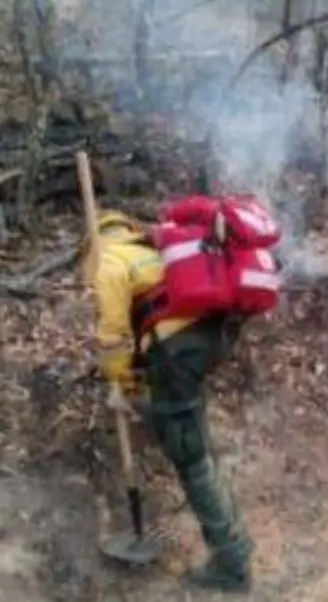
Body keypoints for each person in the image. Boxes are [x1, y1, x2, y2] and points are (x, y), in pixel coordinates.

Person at [88, 211, 253, 592]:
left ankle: (232, 563)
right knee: (182, 423)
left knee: (190, 461)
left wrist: (122, 383)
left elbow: (113, 337)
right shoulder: (156, 247)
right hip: (211, 340)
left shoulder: (111, 262)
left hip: (178, 355)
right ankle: (229, 538)